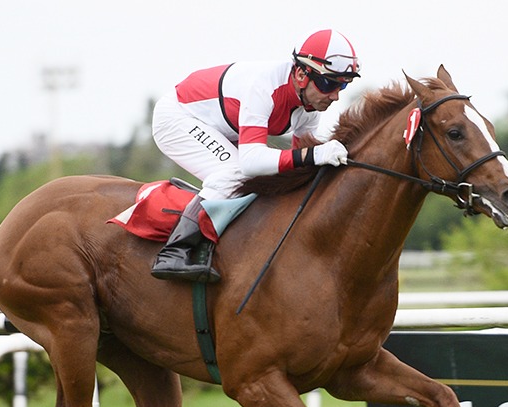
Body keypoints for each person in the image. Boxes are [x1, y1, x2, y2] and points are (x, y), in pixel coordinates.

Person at [150, 29, 360, 283]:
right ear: (301, 74)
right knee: (235, 174)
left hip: (219, 126)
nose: (335, 96)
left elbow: (298, 170)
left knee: (262, 179)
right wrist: (313, 154)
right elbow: (251, 162)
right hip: (177, 117)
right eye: (328, 84)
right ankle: (173, 252)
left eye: (343, 85)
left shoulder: (310, 108)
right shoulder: (264, 86)